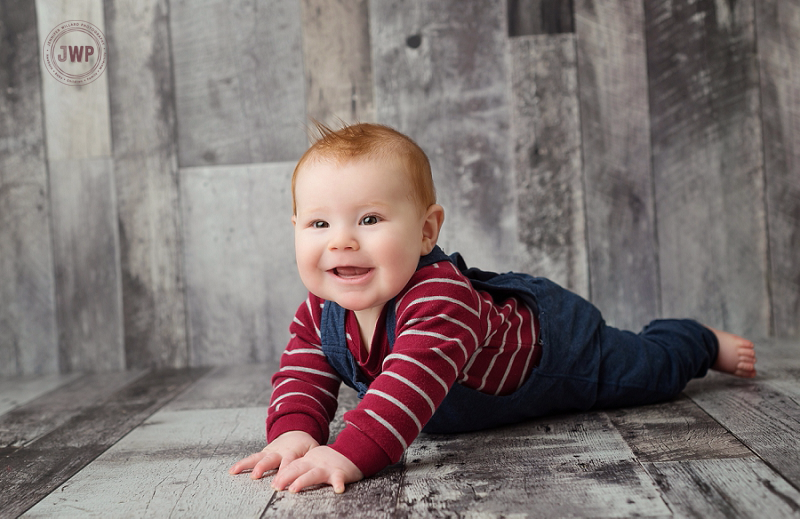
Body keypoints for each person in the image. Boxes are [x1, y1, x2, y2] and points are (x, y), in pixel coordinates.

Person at [229, 122, 756, 494]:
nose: (341, 241)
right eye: (319, 224)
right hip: (493, 379)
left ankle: (695, 338)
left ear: (426, 231)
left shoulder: (439, 300)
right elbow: (302, 371)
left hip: (557, 351)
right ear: (295, 231)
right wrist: (295, 432)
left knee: (650, 372)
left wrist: (348, 452)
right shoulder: (321, 310)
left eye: (369, 219)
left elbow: (407, 387)